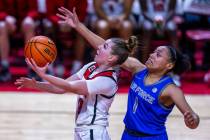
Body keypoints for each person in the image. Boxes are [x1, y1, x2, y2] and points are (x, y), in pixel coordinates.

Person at [56, 7, 200, 140]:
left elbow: (193, 118)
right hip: (128, 135)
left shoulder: (171, 89)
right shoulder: (139, 69)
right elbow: (106, 48)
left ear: (169, 65)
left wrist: (192, 119)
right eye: (154, 51)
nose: (152, 54)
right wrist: (79, 26)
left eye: (158, 55)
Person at [15, 7, 137, 140]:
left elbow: (72, 87)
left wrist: (44, 75)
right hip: (82, 130)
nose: (99, 46)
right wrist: (36, 84)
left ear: (111, 58)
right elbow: (62, 87)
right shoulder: (91, 67)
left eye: (105, 46)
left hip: (93, 132)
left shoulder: (107, 81)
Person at [0, 0, 17, 82]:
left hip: (22, 20)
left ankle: (33, 68)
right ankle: (4, 66)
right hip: (3, 21)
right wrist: (5, 17)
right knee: (2, 27)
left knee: (28, 23)